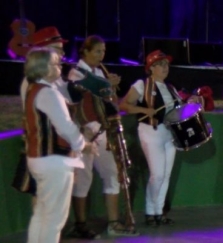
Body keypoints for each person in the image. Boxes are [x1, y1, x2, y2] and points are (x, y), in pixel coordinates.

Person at [67, 35, 136, 237]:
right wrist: (105, 83)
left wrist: (111, 88)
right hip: (85, 132)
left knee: (112, 174)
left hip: (104, 131)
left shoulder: (99, 71)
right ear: (85, 52)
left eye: (103, 51)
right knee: (83, 179)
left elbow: (110, 102)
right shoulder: (75, 73)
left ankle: (113, 223)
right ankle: (80, 224)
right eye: (97, 51)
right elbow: (80, 96)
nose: (101, 55)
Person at [23, 47, 94, 243]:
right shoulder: (48, 93)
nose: (60, 66)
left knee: (42, 214)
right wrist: (84, 145)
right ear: (44, 68)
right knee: (54, 219)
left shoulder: (34, 88)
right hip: (53, 160)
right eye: (56, 63)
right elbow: (65, 127)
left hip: (39, 159)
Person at [119, 50, 194, 226]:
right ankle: (149, 211)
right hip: (150, 130)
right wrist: (145, 110)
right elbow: (124, 105)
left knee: (166, 175)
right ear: (150, 68)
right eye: (160, 64)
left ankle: (158, 212)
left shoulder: (171, 88)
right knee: (157, 174)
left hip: (170, 133)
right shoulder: (142, 85)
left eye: (166, 64)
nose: (164, 67)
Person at [18, 26, 70, 209]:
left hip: (56, 143)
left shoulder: (55, 79)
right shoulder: (33, 82)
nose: (62, 53)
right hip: (43, 144)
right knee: (42, 194)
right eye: (57, 49)